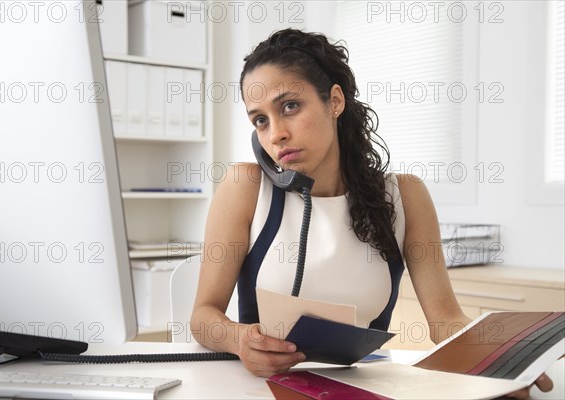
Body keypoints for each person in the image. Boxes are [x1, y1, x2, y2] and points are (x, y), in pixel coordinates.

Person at [190, 28, 553, 398]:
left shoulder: (405, 196)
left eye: (290, 106)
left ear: (334, 101)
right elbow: (203, 316)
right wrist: (238, 339)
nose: (276, 134)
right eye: (260, 120)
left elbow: (445, 321)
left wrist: (501, 362)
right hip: (263, 390)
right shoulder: (245, 186)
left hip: (364, 389)